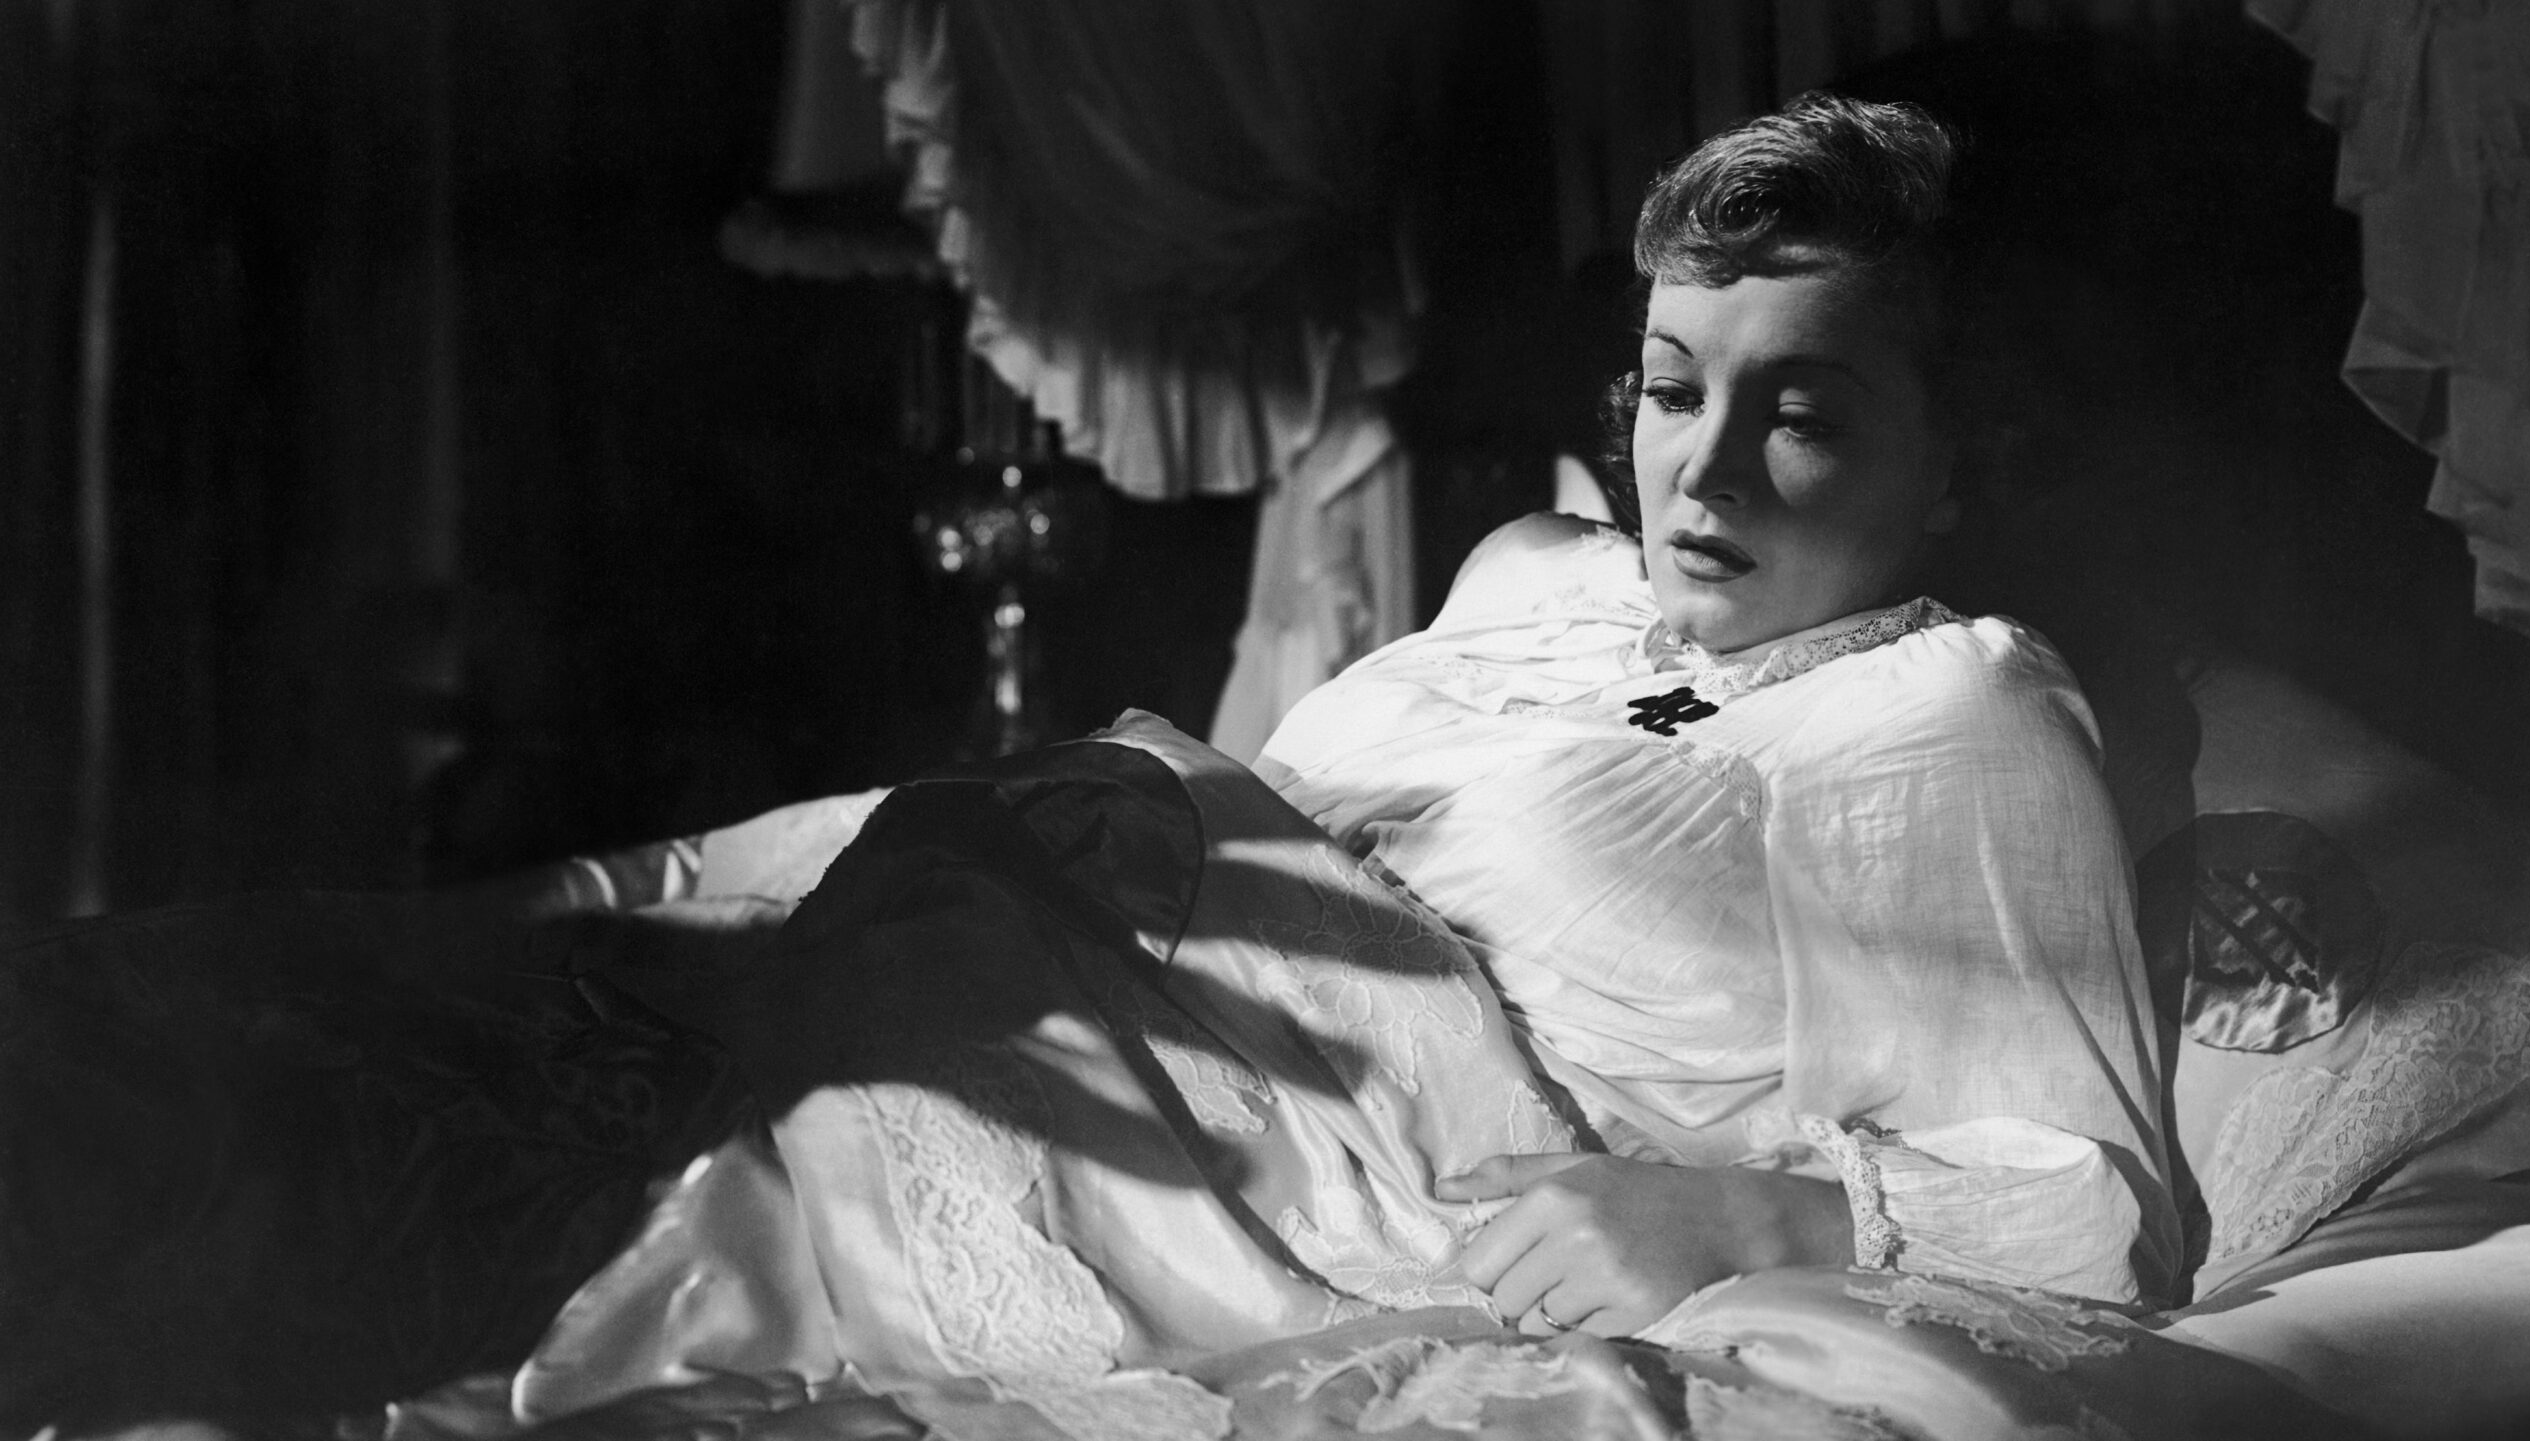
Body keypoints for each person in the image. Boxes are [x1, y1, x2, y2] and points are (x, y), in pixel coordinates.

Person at [506, 93, 2178, 1439]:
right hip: (1105, 1007)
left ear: (1958, 463)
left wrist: (1744, 1214)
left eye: (1801, 415)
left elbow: (2094, 1207)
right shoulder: (1541, 574)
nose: (1704, 467)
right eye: (1674, 391)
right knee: (567, 1017)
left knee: (568, 1171)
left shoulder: (1946, 709)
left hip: (1295, 1188)